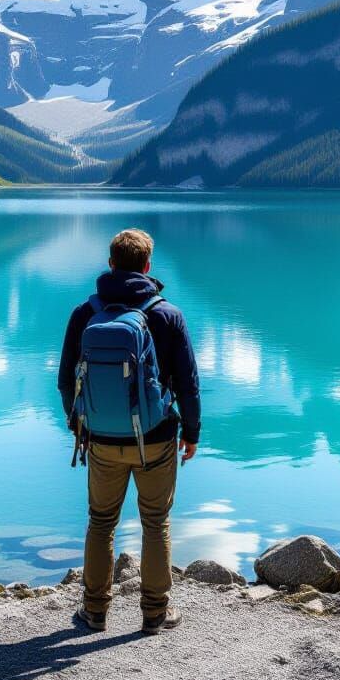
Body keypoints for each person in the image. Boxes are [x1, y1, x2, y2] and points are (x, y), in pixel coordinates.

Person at [58, 228, 201, 635]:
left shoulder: (85, 314)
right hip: (155, 438)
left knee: (101, 521)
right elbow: (188, 384)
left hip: (101, 439)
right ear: (147, 266)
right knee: (155, 522)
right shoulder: (167, 314)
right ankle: (155, 613)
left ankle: (95, 611)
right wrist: (191, 433)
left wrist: (79, 424)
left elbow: (66, 381)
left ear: (110, 264)